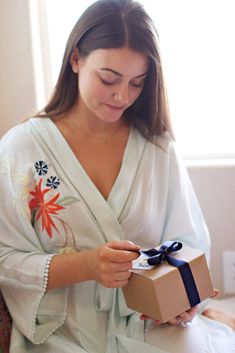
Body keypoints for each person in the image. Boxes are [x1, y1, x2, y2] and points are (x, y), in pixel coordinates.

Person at [0, 0, 234, 352]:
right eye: (108, 79)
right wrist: (88, 266)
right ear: (76, 59)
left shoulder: (157, 147)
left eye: (137, 83)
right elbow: (6, 260)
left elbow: (188, 242)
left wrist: (183, 301)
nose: (122, 96)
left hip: (150, 323)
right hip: (65, 329)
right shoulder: (22, 149)